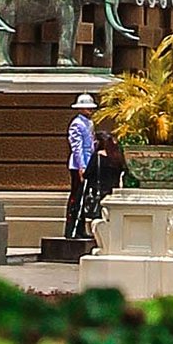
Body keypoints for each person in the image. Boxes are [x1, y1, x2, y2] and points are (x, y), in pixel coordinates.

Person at [64, 89, 99, 247]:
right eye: (87, 108)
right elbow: (76, 147)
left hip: (88, 162)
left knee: (83, 197)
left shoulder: (89, 123)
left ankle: (80, 228)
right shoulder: (77, 124)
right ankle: (72, 229)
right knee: (76, 196)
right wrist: (82, 167)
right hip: (79, 164)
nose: (90, 111)